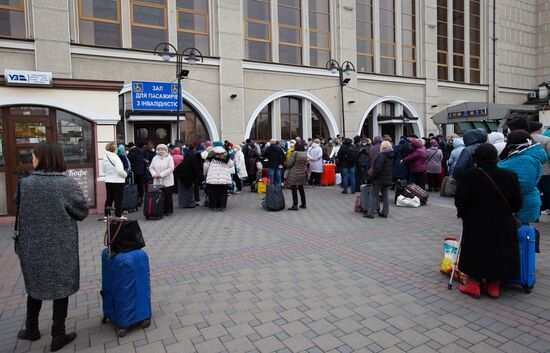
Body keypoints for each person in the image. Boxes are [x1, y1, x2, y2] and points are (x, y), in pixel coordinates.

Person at [14, 141, 88, 351]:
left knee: (34, 285)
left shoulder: (24, 183)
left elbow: (17, 202)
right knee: (60, 286)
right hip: (60, 245)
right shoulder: (67, 185)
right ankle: (58, 334)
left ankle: (31, 328)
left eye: (34, 155)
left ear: (43, 158)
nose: (32, 159)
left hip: (30, 246)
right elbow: (82, 213)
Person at [454, 143, 522, 298]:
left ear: (477, 158)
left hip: (476, 220)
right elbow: (517, 203)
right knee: (499, 249)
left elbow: (460, 201)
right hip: (503, 221)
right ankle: (493, 285)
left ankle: (473, 284)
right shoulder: (510, 175)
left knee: (475, 249)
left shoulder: (469, 175)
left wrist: (463, 215)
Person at [498, 130, 547, 224]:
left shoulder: (525, 159)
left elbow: (523, 185)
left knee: (518, 234)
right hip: (522, 201)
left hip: (521, 204)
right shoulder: (523, 155)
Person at [364, 141, 394, 219]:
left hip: (379, 179)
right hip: (387, 179)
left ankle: (370, 213)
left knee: (373, 195)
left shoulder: (382, 155)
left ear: (383, 147)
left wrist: (372, 177)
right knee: (385, 196)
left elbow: (377, 168)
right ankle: (385, 212)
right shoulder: (391, 155)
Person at [203, 141, 234, 211]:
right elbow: (231, 164)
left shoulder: (210, 154)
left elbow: (206, 165)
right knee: (223, 192)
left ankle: (214, 206)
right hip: (224, 176)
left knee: (213, 191)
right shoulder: (226, 154)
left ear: (214, 146)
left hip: (212, 176)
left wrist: (205, 173)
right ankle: (222, 206)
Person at [529, 122, 550, 215]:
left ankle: (535, 215)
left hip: (531, 172)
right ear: (539, 129)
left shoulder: (525, 138)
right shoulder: (546, 139)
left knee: (534, 194)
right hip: (546, 172)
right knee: (548, 194)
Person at [103, 142, 127, 218]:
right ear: (113, 149)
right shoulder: (115, 157)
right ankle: (118, 215)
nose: (117, 149)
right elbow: (120, 171)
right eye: (116, 147)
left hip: (108, 180)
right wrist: (125, 174)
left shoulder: (105, 158)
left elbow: (103, 169)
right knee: (118, 199)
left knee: (109, 198)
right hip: (118, 181)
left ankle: (107, 215)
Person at [149, 144, 175, 216]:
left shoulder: (169, 158)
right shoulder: (155, 158)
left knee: (167, 196)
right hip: (157, 180)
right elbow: (151, 167)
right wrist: (154, 174)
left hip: (167, 180)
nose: (161, 151)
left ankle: (168, 210)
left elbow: (171, 168)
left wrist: (161, 175)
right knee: (159, 195)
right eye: (159, 149)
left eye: (162, 149)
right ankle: (160, 209)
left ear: (165, 150)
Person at [285, 142, 308, 210]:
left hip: (294, 173)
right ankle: (303, 204)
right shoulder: (304, 153)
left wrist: (285, 163)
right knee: (301, 188)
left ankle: (295, 205)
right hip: (301, 172)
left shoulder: (294, 153)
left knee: (294, 189)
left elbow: (289, 163)